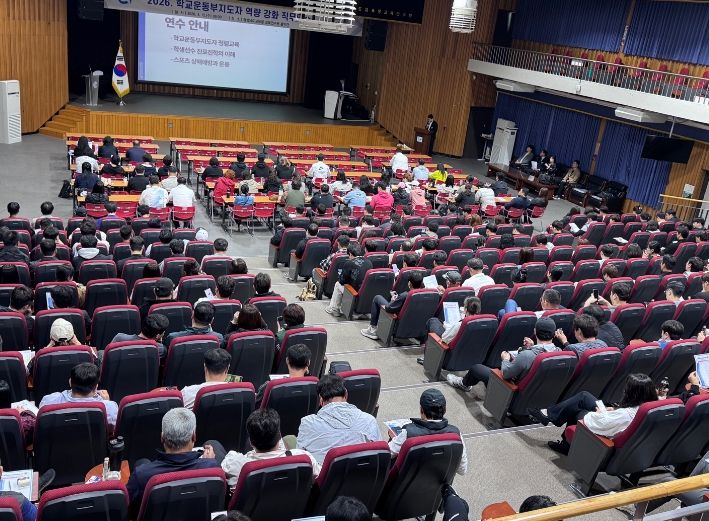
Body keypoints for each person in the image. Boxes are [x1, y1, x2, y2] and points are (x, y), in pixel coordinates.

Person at [528, 373, 658, 455]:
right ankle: (549, 416)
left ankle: (565, 443)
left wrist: (599, 413)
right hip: (614, 419)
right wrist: (614, 409)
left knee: (577, 409)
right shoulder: (651, 406)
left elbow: (597, 423)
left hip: (604, 429)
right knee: (584, 396)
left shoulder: (625, 414)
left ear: (631, 394)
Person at [126, 408, 223, 513]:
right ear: (194, 436)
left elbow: (129, 508)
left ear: (162, 437)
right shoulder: (213, 467)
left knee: (142, 462)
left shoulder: (141, 475)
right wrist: (209, 464)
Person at [215, 409, 320, 491]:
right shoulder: (303, 459)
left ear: (251, 442)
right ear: (279, 436)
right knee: (291, 439)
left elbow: (226, 464)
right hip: (294, 508)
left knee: (213, 444)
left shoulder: (237, 465)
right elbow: (318, 475)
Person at [446, 317, 560, 392]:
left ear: (535, 331)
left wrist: (505, 359)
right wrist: (532, 346)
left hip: (511, 390)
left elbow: (506, 374)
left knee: (476, 368)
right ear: (554, 334)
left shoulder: (527, 356)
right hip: (534, 393)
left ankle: (463, 384)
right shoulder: (559, 352)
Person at [297, 374, 382, 464]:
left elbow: (300, 457)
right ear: (346, 394)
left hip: (323, 473)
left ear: (321, 400)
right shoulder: (369, 420)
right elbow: (380, 453)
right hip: (361, 472)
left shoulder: (307, 423)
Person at [388, 388, 467, 475]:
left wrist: (395, 439)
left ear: (421, 410)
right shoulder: (456, 435)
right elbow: (462, 470)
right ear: (445, 410)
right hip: (439, 482)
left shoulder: (408, 433)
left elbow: (388, 454)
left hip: (406, 482)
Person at [39, 362, 119, 426]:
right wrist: (106, 402)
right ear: (96, 387)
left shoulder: (49, 401)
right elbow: (111, 429)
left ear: (70, 382)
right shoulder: (109, 407)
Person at [360, 271, 423, 339]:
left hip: (397, 324)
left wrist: (393, 300)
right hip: (413, 325)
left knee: (377, 298)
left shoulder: (404, 295)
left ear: (409, 283)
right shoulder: (425, 294)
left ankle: (373, 330)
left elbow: (388, 309)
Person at [420, 296, 481, 365]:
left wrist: (447, 327)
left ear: (465, 310)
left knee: (432, 320)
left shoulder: (461, 325)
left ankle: (426, 357)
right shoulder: (481, 322)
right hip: (466, 354)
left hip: (447, 350)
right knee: (438, 321)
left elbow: (444, 338)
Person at [326, 242, 373, 317]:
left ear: (350, 254)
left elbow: (342, 281)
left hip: (354, 293)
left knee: (338, 284)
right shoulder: (369, 262)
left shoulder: (349, 263)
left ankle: (334, 309)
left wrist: (341, 276)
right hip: (365, 293)